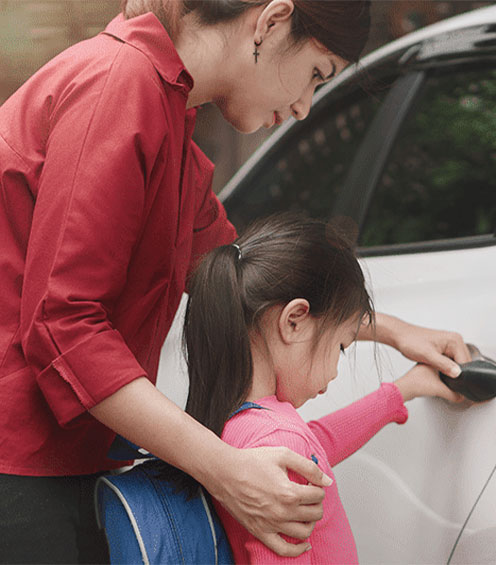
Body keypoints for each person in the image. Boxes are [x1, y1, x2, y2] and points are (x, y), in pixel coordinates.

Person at [0, 0, 470, 562]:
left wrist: (390, 331)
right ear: (271, 22)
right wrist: (226, 470)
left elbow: (240, 276)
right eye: (316, 75)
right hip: (17, 466)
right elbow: (65, 326)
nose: (302, 108)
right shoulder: (117, 85)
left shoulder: (166, 115)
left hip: (61, 462)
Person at [181, 214, 466, 564]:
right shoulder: (279, 440)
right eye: (341, 347)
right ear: (294, 321)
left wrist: (402, 391)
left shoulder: (242, 424)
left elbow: (318, 444)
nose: (334, 371)